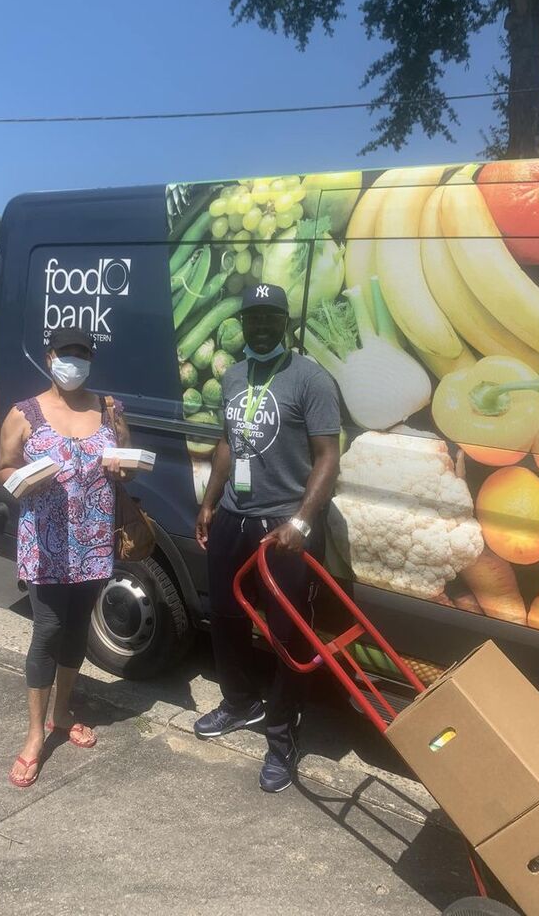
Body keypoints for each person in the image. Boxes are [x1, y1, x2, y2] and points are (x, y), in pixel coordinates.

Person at [194, 284, 341, 793]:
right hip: (235, 515)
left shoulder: (311, 380)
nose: (259, 325)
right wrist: (210, 501)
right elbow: (226, 445)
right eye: (252, 316)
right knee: (227, 618)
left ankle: (282, 739)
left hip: (284, 528)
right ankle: (238, 704)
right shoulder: (235, 376)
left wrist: (302, 520)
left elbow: (327, 457)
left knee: (284, 633)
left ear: (284, 324)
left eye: (269, 317)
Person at [0, 326, 132, 788]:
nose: (74, 360)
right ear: (50, 356)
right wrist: (25, 478)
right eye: (66, 352)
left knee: (77, 629)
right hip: (46, 543)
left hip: (93, 543)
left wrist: (122, 467)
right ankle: (35, 734)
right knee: (49, 628)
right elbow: (3, 469)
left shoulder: (109, 409)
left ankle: (62, 711)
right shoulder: (24, 413)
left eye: (83, 353)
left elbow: (127, 466)